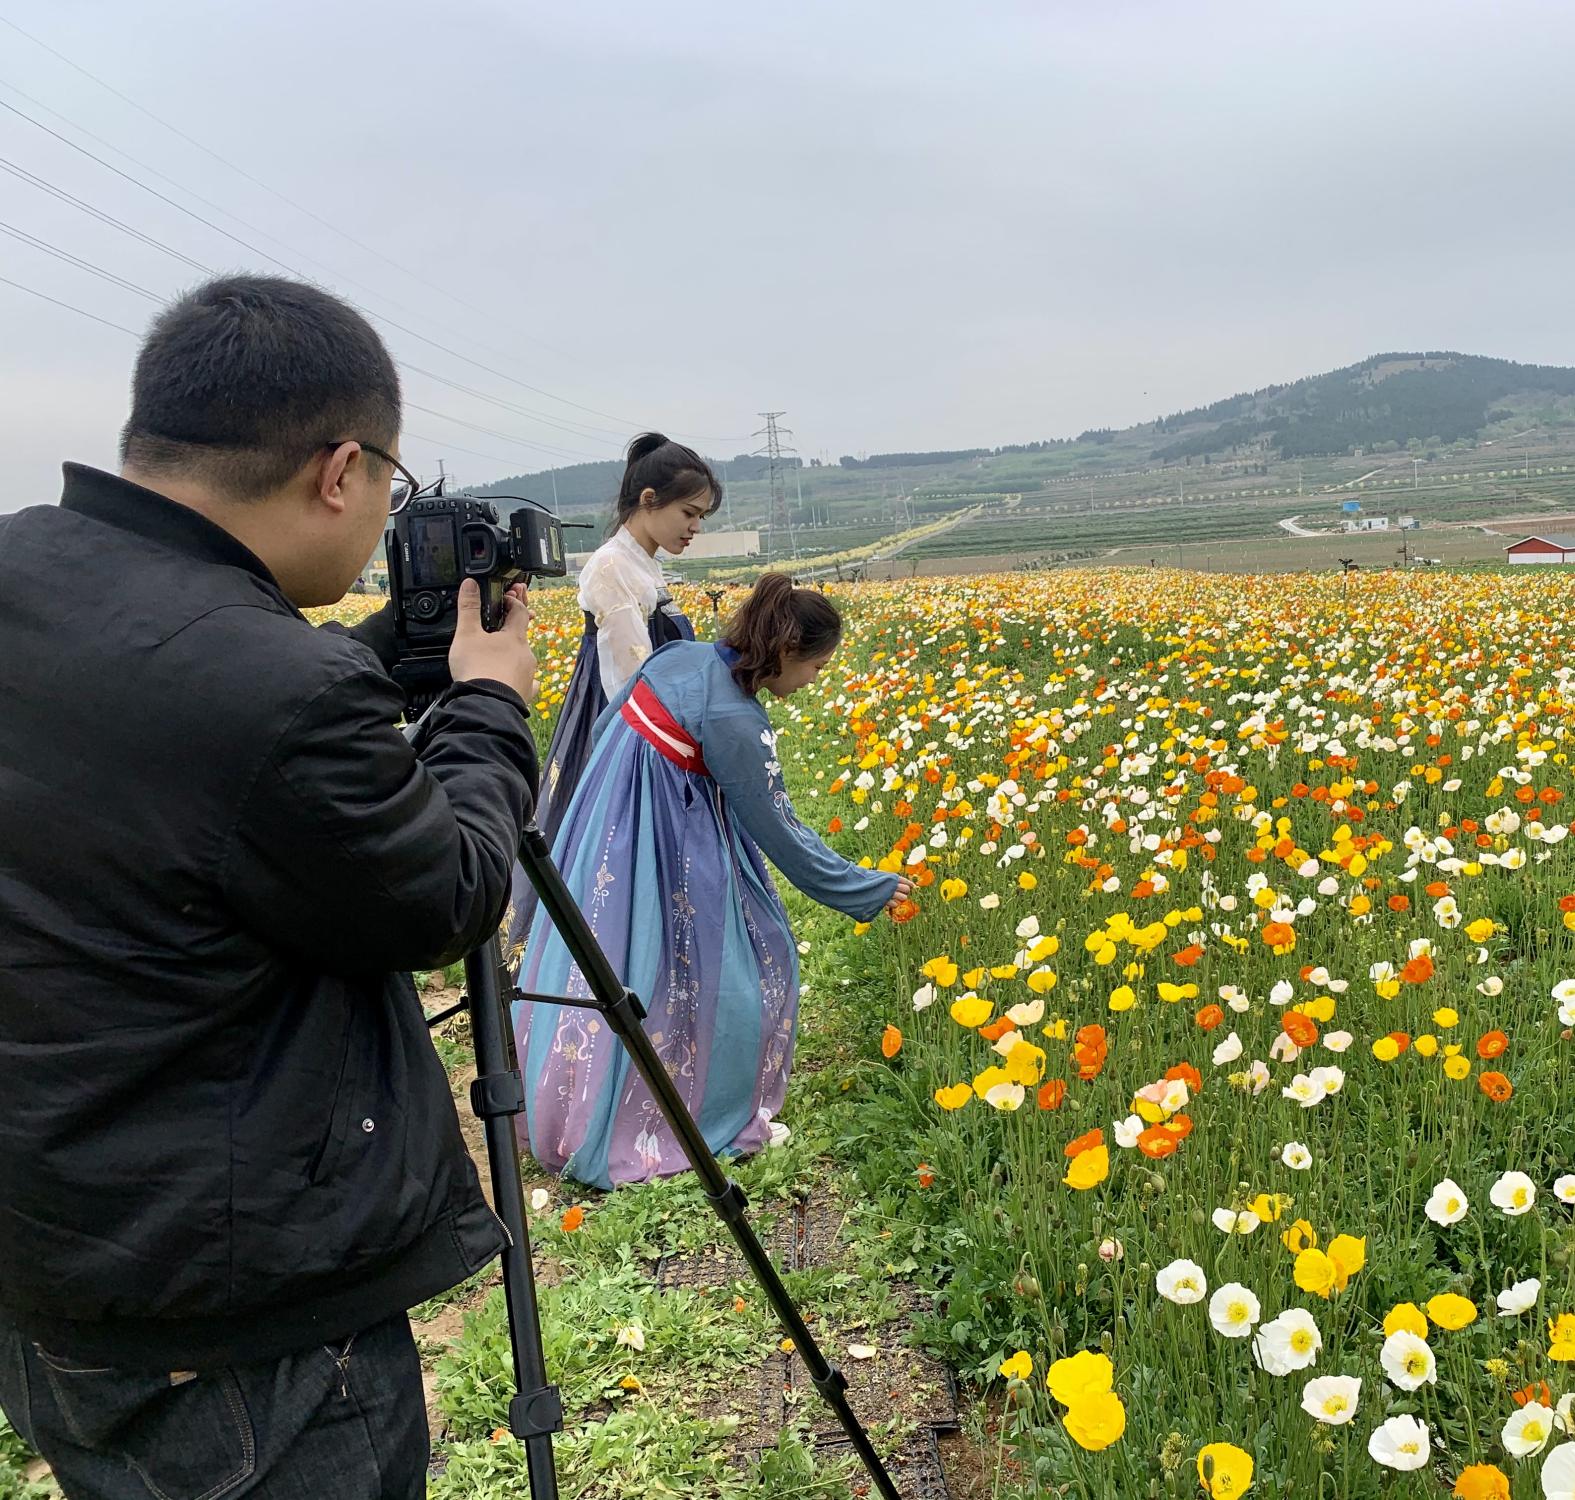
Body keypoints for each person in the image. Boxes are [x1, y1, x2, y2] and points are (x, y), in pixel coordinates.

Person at [0, 276, 540, 1499]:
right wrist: (490, 706)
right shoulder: (274, 691)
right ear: (340, 470)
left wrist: (368, 669)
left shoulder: (30, 567)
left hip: (56, 1251)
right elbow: (445, 897)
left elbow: (161, 739)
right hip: (242, 1318)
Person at [512, 574, 911, 1188]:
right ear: (783, 651)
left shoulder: (681, 655)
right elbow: (781, 831)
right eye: (817, 665)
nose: (815, 680)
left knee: (608, 963)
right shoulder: (735, 719)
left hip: (606, 829)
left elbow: (604, 724)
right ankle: (703, 1118)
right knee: (734, 975)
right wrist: (865, 887)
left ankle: (577, 1105)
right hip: (669, 843)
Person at [502, 434, 718, 958]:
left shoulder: (642, 562)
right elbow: (630, 673)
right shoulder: (611, 566)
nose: (694, 528)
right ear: (649, 500)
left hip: (652, 712)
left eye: (701, 518)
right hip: (626, 719)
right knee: (600, 847)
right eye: (689, 514)